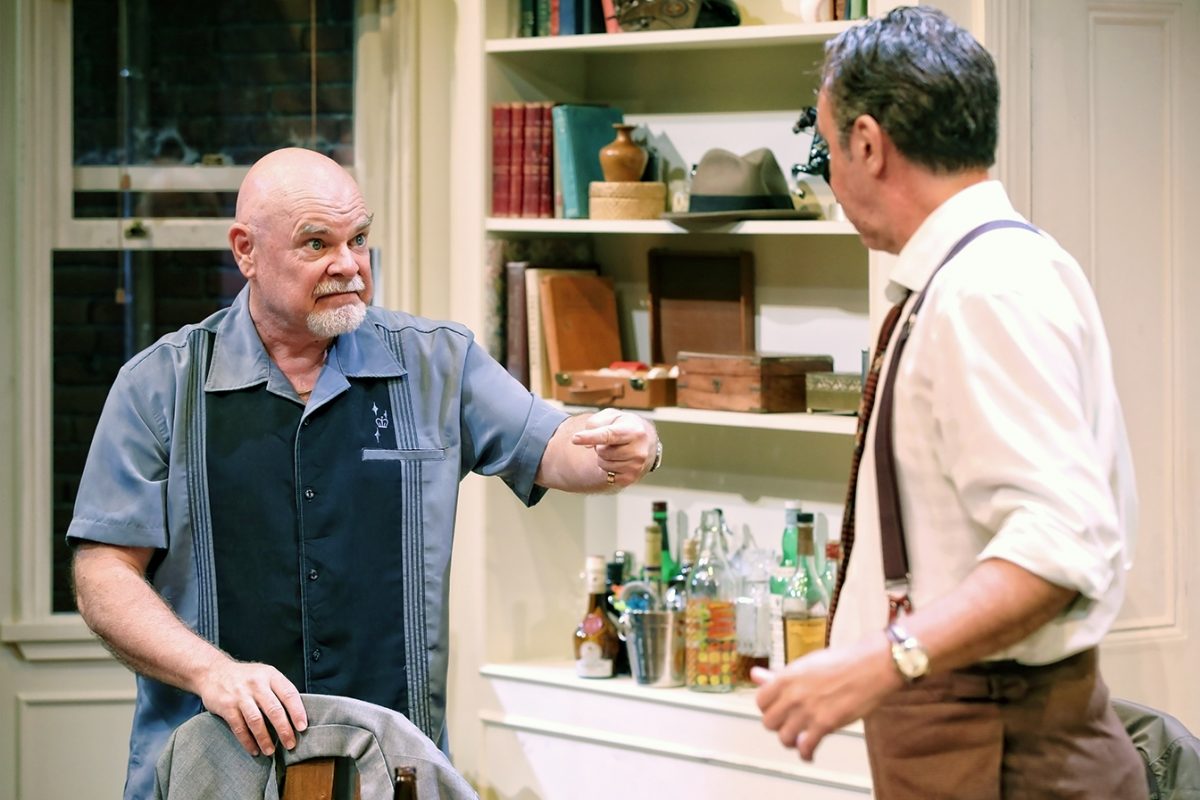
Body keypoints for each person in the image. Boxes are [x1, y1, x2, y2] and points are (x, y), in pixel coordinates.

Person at [69, 147, 662, 800]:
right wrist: (212, 672)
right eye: (316, 244)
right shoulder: (160, 385)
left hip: (388, 772)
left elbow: (555, 444)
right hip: (208, 771)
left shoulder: (437, 363)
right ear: (246, 251)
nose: (349, 265)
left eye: (358, 239)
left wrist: (624, 446)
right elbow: (103, 575)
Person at [752, 8, 1147, 799]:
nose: (831, 175)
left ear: (869, 143)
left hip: (1004, 749)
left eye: (828, 147)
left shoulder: (984, 291)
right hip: (967, 734)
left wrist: (882, 658)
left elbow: (1057, 547)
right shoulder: (974, 276)